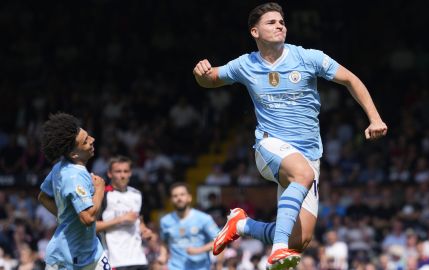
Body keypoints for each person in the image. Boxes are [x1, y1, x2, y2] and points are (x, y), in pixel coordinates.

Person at [192, 2, 388, 269]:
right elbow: (210, 79)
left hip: (309, 154)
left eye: (282, 21)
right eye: (271, 22)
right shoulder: (245, 64)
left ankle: (242, 224)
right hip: (269, 145)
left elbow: (351, 80)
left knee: (301, 239)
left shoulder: (308, 57)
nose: (279, 25)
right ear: (255, 32)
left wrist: (374, 118)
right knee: (301, 178)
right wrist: (200, 73)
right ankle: (278, 250)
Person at [37, 112, 110, 269]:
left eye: (88, 136)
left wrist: (64, 217)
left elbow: (43, 197)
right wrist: (99, 189)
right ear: (74, 153)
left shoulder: (60, 167)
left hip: (91, 252)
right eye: (85, 141)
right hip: (66, 259)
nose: (92, 140)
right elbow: (88, 218)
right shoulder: (74, 177)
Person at [96, 156, 156, 270]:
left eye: (126, 171)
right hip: (115, 260)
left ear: (130, 173)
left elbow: (139, 220)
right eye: (118, 171)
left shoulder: (136, 194)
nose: (122, 175)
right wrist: (121, 219)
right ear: (109, 173)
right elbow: (93, 227)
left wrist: (144, 230)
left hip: (139, 258)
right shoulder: (103, 195)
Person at [158, 182, 223, 270]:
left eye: (182, 195)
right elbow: (164, 241)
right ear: (171, 200)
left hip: (200, 267)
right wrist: (163, 255)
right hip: (175, 267)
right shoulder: (165, 221)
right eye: (175, 196)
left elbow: (221, 241)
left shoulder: (203, 218)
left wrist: (199, 250)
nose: (179, 198)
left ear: (189, 198)